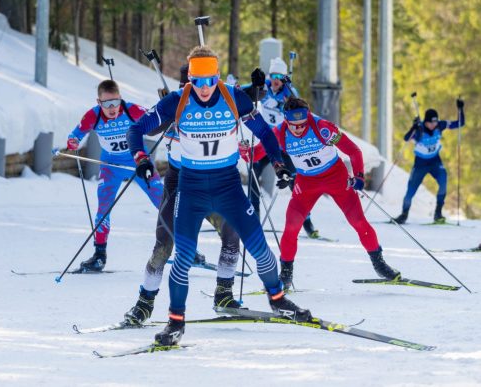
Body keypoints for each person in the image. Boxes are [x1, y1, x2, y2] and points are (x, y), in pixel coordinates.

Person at [128, 46, 311, 346]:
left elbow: (265, 132)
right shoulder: (177, 101)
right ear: (189, 79)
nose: (204, 88)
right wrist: (142, 159)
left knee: (259, 248)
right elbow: (136, 129)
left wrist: (278, 164)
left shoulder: (232, 97)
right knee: (182, 257)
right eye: (197, 81)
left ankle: (277, 299)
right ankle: (174, 321)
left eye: (210, 80)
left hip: (228, 187)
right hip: (190, 188)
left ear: (217, 76)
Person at [123, 65, 245, 325]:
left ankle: (224, 293)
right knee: (164, 245)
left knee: (232, 233)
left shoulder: (217, 107)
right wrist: (141, 158)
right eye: (188, 87)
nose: (197, 92)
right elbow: (140, 129)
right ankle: (144, 304)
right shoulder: (173, 108)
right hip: (179, 182)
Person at [245, 97, 401, 289]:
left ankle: (380, 264)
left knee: (358, 221)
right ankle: (285, 274)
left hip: (336, 177)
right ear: (286, 120)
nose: (300, 129)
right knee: (292, 226)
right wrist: (245, 150)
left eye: (303, 124)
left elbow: (353, 151)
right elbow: (256, 153)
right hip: (306, 182)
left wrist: (359, 176)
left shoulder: (323, 128)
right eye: (295, 126)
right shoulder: (279, 132)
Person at [67, 80, 163, 272]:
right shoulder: (93, 115)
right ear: (98, 101)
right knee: (104, 207)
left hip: (138, 161)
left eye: (116, 102)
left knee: (163, 201)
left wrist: (174, 131)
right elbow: (75, 134)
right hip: (110, 165)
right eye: (106, 104)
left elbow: (158, 122)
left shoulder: (131, 110)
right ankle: (99, 256)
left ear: (121, 98)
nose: (112, 108)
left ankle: (188, 249)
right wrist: (73, 142)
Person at [253, 58, 319, 238]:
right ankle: (253, 219)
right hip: (266, 141)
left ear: (284, 79)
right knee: (253, 172)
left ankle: (307, 223)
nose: (275, 80)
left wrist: (288, 92)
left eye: (279, 77)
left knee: (294, 182)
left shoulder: (289, 93)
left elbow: (297, 104)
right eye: (273, 75)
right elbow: (247, 91)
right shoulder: (263, 88)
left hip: (284, 144)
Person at [393, 99, 465, 224]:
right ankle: (403, 215)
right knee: (411, 191)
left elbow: (460, 123)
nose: (433, 125)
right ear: (426, 122)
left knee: (443, 182)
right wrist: (413, 127)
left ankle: (438, 213)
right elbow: (406, 138)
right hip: (420, 164)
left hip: (435, 162)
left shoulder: (440, 125)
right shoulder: (419, 130)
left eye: (435, 122)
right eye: (431, 122)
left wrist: (460, 109)